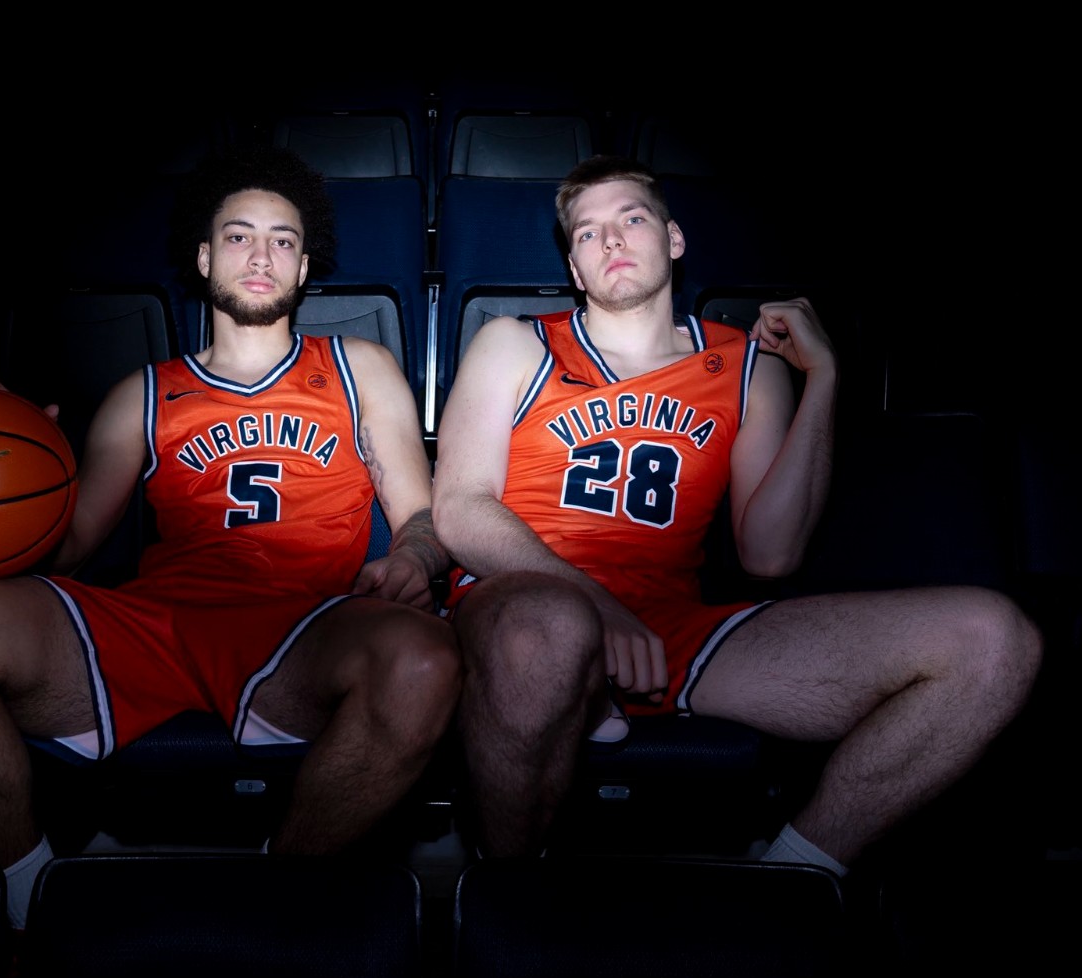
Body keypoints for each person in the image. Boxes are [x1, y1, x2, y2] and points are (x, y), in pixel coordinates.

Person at [0, 143, 460, 931]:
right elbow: (66, 547)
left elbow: (420, 515)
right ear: (204, 256)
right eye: (239, 235)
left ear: (303, 268)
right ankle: (33, 901)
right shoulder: (145, 392)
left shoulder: (359, 366)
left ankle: (267, 910)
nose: (262, 255)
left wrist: (416, 555)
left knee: (424, 660)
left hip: (305, 623)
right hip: (154, 624)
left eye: (283, 240)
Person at [431, 155, 1043, 871]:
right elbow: (461, 509)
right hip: (524, 607)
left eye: (631, 218)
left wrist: (824, 380)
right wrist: (594, 604)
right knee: (551, 630)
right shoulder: (516, 342)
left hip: (670, 632)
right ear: (574, 266)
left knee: (994, 642)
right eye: (588, 233)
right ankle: (511, 899)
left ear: (674, 239)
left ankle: (794, 877)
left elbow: (770, 554)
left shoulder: (747, 365)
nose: (612, 240)